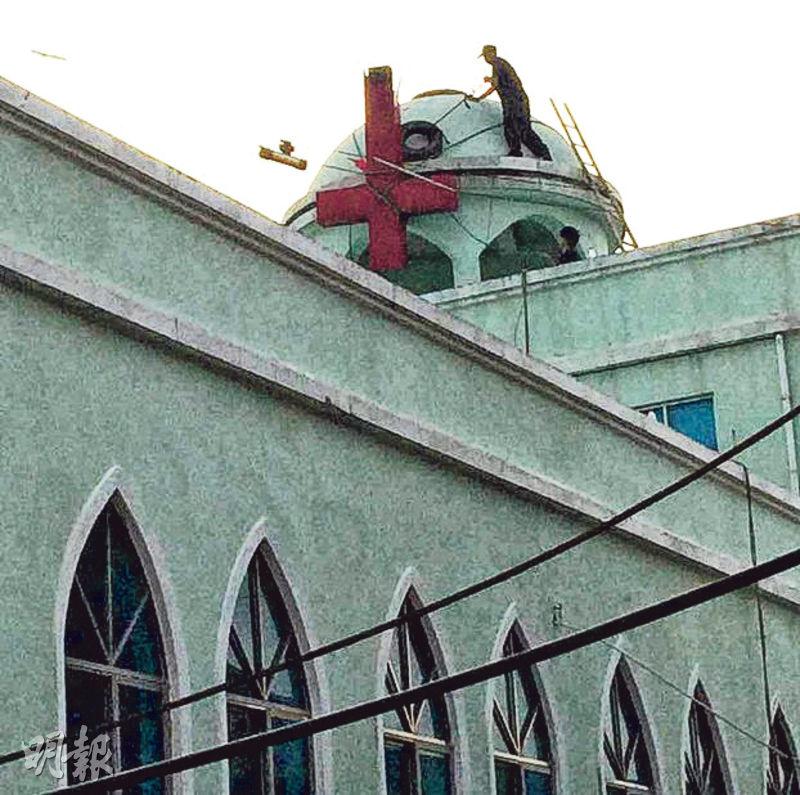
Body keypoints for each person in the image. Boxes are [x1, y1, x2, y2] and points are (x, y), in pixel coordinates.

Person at [473, 45, 551, 160]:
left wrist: (480, 98)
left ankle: (516, 151)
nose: (485, 59)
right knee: (523, 128)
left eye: (486, 56)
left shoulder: (497, 65)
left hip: (513, 101)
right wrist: (490, 79)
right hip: (519, 100)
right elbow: (501, 80)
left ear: (491, 54)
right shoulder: (501, 64)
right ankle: (543, 153)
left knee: (511, 125)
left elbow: (495, 85)